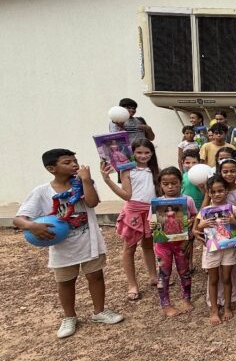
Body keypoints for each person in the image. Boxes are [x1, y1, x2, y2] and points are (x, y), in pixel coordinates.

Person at [15, 149, 124, 338]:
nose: (74, 164)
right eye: (67, 162)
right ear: (51, 168)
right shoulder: (42, 192)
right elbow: (19, 219)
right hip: (62, 248)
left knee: (96, 276)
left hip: (89, 241)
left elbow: (92, 203)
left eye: (75, 160)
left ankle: (99, 312)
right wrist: (32, 226)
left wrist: (87, 180)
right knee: (66, 282)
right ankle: (69, 317)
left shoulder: (83, 184)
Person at [100, 138, 159, 302]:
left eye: (147, 152)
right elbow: (126, 195)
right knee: (129, 248)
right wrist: (107, 181)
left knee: (149, 244)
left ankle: (154, 276)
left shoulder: (156, 170)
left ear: (152, 153)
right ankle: (132, 284)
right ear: (132, 153)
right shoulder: (127, 171)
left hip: (151, 211)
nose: (143, 155)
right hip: (133, 211)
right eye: (139, 152)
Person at [197, 175, 236, 325]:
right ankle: (214, 309)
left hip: (228, 249)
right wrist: (201, 225)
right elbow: (197, 229)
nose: (217, 194)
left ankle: (228, 306)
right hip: (212, 250)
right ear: (209, 193)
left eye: (220, 191)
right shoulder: (204, 211)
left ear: (226, 192)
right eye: (213, 192)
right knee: (213, 279)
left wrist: (233, 221)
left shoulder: (233, 209)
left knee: (226, 278)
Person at [151, 167, 196, 317]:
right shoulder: (156, 203)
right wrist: (152, 225)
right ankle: (165, 304)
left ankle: (186, 298)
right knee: (164, 273)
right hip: (163, 244)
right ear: (160, 185)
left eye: (174, 183)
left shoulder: (187, 200)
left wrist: (191, 221)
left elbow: (196, 216)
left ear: (180, 183)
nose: (170, 187)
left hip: (182, 243)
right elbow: (151, 222)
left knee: (184, 271)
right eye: (166, 184)